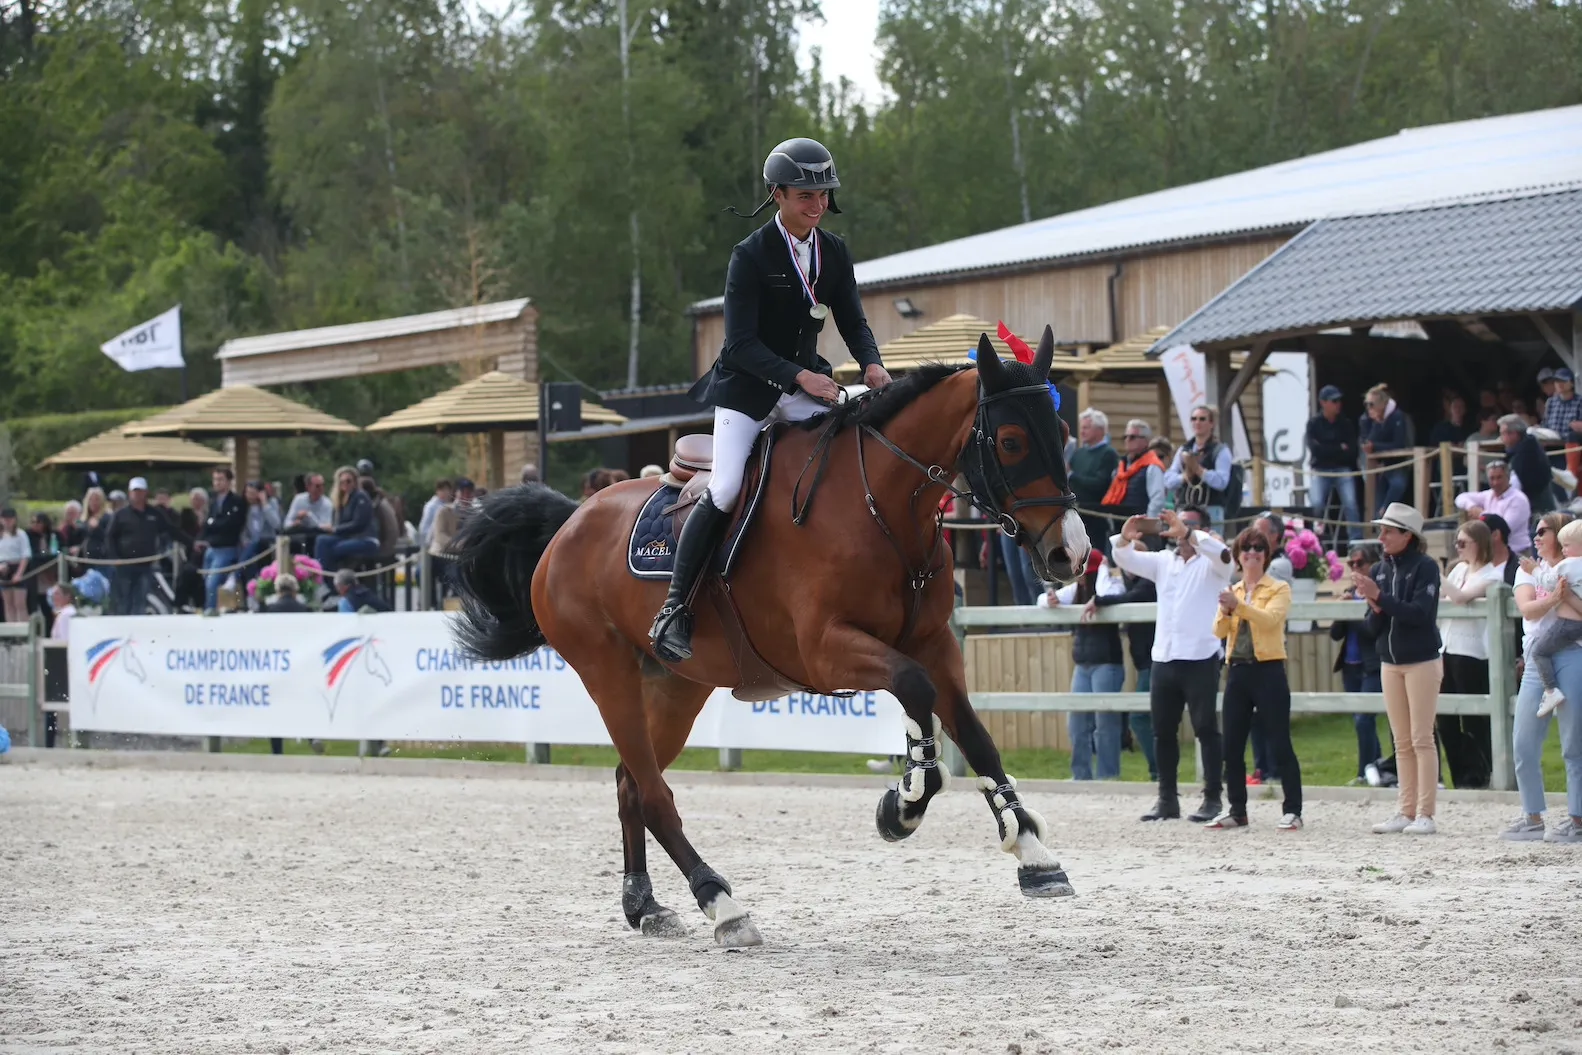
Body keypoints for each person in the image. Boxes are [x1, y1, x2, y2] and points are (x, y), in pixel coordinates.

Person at [651, 136, 891, 663]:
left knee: (857, 442)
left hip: (806, 386)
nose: (818, 203)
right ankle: (674, 608)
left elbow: (851, 318)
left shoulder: (834, 250)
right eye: (806, 194)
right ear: (776, 194)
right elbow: (739, 344)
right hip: (747, 389)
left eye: (824, 193)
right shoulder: (751, 255)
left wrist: (872, 361)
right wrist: (801, 377)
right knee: (727, 486)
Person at [1110, 507, 1233, 823]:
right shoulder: (1165, 562)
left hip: (1201, 657)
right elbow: (1125, 559)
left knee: (1206, 729)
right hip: (1164, 657)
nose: (1178, 529)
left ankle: (1213, 798)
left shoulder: (1213, 564)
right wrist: (1125, 536)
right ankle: (1167, 799)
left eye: (1188, 523)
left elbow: (1224, 556)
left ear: (1202, 529)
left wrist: (1190, 533)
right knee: (1162, 731)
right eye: (1176, 522)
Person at [1356, 503, 1444, 835]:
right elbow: (1373, 627)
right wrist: (1375, 606)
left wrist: (1381, 598)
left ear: (1407, 535)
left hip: (1421, 660)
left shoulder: (1426, 568)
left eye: (1388, 531)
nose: (1382, 537)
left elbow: (1420, 614)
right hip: (1390, 663)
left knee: (1422, 738)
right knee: (1401, 740)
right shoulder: (1379, 569)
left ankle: (1425, 813)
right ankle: (1405, 810)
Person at [1209, 527, 1301, 830]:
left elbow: (1271, 620)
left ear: (1266, 555)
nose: (1251, 553)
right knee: (1231, 745)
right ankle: (1237, 809)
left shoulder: (1278, 588)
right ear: (1238, 555)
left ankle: (1293, 810)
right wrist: (1226, 612)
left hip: (1268, 669)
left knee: (1279, 741)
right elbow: (1219, 632)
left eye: (1258, 548)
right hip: (1237, 669)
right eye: (1246, 548)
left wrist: (1240, 607)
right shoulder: (1233, 591)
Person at [1503, 511, 1582, 843]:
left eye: (1543, 531)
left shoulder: (1573, 569)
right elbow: (1528, 608)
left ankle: (1577, 819)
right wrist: (1555, 596)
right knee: (1523, 741)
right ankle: (1532, 815)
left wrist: (1566, 595)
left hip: (1575, 653)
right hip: (1538, 658)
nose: (1536, 537)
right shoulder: (1529, 572)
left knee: (1574, 743)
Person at [1041, 551, 1125, 780]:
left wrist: (1104, 572)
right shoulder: (1077, 589)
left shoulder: (1108, 585)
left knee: (1105, 725)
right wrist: (1050, 599)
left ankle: (1108, 776)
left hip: (1106, 663)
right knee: (1077, 724)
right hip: (1084, 663)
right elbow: (1044, 600)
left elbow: (1113, 593)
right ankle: (1081, 775)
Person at [1436, 520, 1499, 788]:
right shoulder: (1459, 569)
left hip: (1472, 652)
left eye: (1463, 543)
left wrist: (1435, 574)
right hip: (1446, 647)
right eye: (1456, 542)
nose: (1458, 548)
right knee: (1446, 717)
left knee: (1474, 717)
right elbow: (1444, 597)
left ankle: (1480, 772)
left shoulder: (1491, 574)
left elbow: (1460, 598)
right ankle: (1459, 775)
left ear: (1479, 544)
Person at [1096, 534, 1161, 781]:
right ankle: (1160, 770)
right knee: (1148, 716)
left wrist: (1099, 600)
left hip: (1154, 661)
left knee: (1140, 716)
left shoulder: (1148, 583)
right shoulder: (1133, 582)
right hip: (1146, 661)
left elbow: (1128, 600)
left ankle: (1159, 770)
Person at [1332, 543, 1384, 784]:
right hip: (1350, 665)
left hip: (1371, 664)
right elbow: (1335, 634)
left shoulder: (1379, 592)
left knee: (1364, 719)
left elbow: (1373, 630)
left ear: (1373, 564)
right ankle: (1377, 765)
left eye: (1359, 563)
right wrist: (1343, 609)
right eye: (1351, 563)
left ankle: (1365, 771)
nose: (1354, 567)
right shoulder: (1350, 591)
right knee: (1361, 721)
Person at [1525, 519, 1582, 718]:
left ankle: (1550, 691)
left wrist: (1534, 570)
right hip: (1577, 627)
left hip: (1567, 624)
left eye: (1567, 545)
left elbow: (1550, 583)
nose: (1564, 550)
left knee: (1539, 652)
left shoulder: (1567, 565)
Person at [104, 478, 170, 616]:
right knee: (124, 599)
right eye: (135, 491)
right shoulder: (120, 514)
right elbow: (110, 537)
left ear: (145, 493)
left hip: (145, 564)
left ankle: (137, 627)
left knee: (140, 598)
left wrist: (191, 542)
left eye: (140, 491)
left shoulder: (154, 513)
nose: (137, 494)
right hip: (124, 564)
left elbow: (169, 530)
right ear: (129, 493)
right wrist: (114, 558)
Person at [1163, 406, 1235, 531]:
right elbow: (1169, 480)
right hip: (1185, 510)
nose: (1197, 422)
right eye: (1194, 419)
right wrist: (1184, 477)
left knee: (1209, 545)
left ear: (1211, 423)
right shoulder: (1184, 449)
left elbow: (1221, 482)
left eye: (1202, 419)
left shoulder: (1221, 451)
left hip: (1211, 509)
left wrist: (1199, 470)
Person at [1306, 384, 1362, 541]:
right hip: (1320, 470)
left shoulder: (1346, 423)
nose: (1338, 404)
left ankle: (1356, 541)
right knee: (1316, 504)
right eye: (1334, 401)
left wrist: (1327, 449)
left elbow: (1351, 452)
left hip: (1342, 469)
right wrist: (1339, 448)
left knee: (1351, 503)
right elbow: (1315, 450)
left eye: (1339, 400)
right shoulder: (1314, 423)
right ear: (1323, 403)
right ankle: (1316, 540)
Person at [1069, 408, 1119, 554]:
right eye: (1082, 427)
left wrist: (1073, 476)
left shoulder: (1108, 454)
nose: (1082, 431)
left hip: (1096, 516)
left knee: (1095, 556)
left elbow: (1101, 484)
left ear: (1100, 430)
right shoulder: (1078, 453)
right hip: (1076, 514)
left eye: (1087, 427)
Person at [1454, 460, 1531, 553]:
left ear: (1508, 477)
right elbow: (1460, 498)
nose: (1495, 482)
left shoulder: (1518, 499)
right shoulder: (1488, 495)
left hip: (1518, 553)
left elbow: (1504, 529)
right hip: (1495, 553)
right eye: (1492, 478)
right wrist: (1472, 507)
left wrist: (1481, 514)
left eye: (1499, 478)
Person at [196, 467, 245, 615]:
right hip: (211, 547)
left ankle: (210, 611)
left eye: (220, 479)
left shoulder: (237, 501)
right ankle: (208, 608)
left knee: (213, 582)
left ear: (229, 481)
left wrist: (213, 523)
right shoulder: (213, 501)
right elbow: (206, 524)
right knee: (206, 581)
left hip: (226, 548)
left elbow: (230, 524)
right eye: (215, 479)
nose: (217, 483)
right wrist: (200, 539)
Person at [1099, 419, 1166, 526]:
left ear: (1146, 441)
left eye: (1132, 437)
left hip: (1140, 527)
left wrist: (1148, 524)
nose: (1128, 440)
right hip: (1119, 524)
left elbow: (1157, 500)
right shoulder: (1121, 465)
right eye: (1125, 437)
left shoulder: (1152, 466)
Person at [314, 467, 381, 572]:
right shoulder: (342, 500)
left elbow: (359, 524)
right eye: (342, 482)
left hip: (365, 539)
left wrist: (335, 529)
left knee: (335, 550)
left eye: (348, 481)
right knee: (322, 541)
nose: (345, 484)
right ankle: (323, 577)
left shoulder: (361, 497)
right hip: (349, 538)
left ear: (355, 482)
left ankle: (332, 580)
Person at [1359, 385, 1409, 516]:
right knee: (1377, 498)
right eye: (1366, 404)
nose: (1369, 408)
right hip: (1380, 466)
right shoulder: (1368, 419)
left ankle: (1385, 510)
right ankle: (1380, 517)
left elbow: (1399, 444)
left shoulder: (1397, 416)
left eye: (1371, 404)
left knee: (1398, 485)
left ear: (1382, 404)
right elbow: (1369, 441)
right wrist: (1377, 423)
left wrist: (1375, 446)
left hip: (1398, 463)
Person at [1500, 414, 1554, 516]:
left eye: (1503, 434)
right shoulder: (1525, 447)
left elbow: (1521, 482)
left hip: (1537, 506)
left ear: (1514, 434)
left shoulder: (1526, 452)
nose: (1502, 438)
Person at [238, 480, 282, 599]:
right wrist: (245, 540)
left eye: (253, 493)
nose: (250, 496)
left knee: (256, 544)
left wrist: (265, 504)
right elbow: (243, 530)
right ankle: (251, 596)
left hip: (267, 542)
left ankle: (235, 575)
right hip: (250, 546)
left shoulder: (271, 503)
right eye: (248, 493)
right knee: (249, 560)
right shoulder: (245, 507)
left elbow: (276, 524)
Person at [0, 508, 30, 623]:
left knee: (20, 604)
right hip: (3, 568)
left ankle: (23, 632)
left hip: (17, 566)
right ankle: (11, 634)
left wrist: (19, 573)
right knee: (8, 604)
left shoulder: (20, 534)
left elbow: (25, 555)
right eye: (5, 519)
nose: (7, 521)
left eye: (10, 519)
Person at [418, 479, 454, 550]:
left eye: (447, 490)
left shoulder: (452, 505)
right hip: (433, 543)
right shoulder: (431, 506)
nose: (445, 492)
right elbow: (424, 527)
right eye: (442, 490)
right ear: (437, 491)